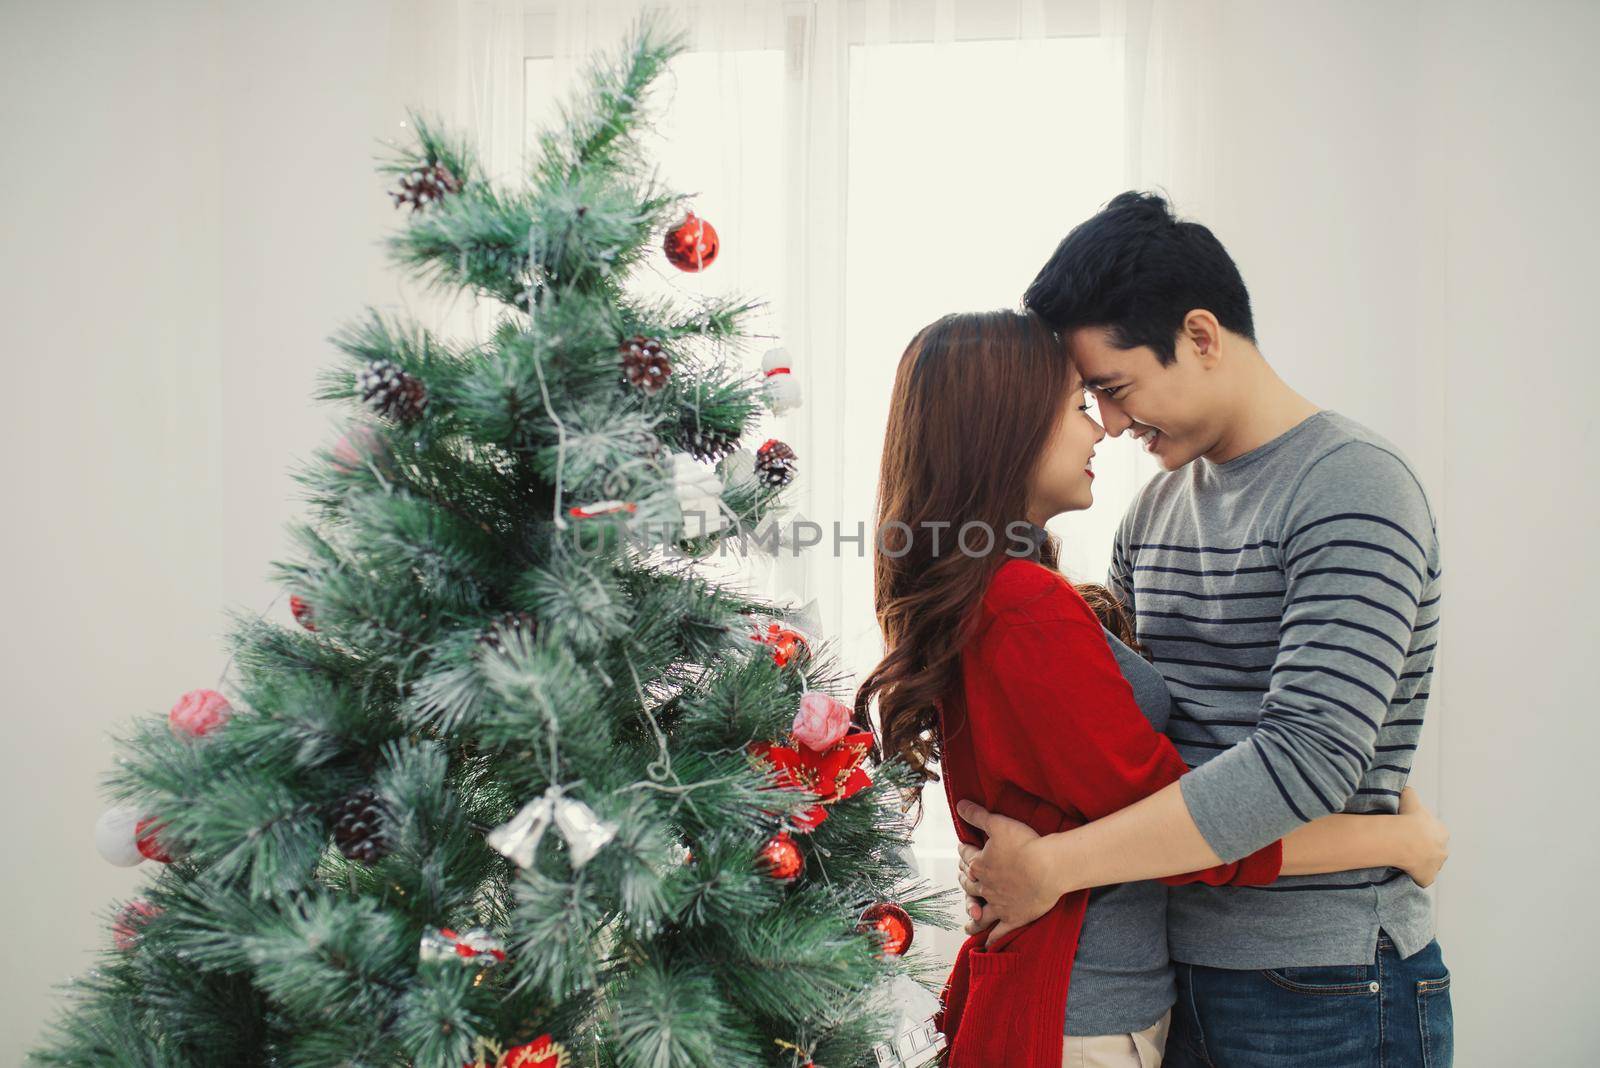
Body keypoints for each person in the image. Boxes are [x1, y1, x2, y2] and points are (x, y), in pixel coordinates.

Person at [854, 308, 1450, 1068]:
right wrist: (1392, 837)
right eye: (1076, 405)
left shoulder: (1005, 596)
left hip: (1130, 991)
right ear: (1002, 431)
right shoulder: (1024, 603)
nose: (1101, 426)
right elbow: (1175, 818)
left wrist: (1048, 863)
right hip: (1093, 1010)